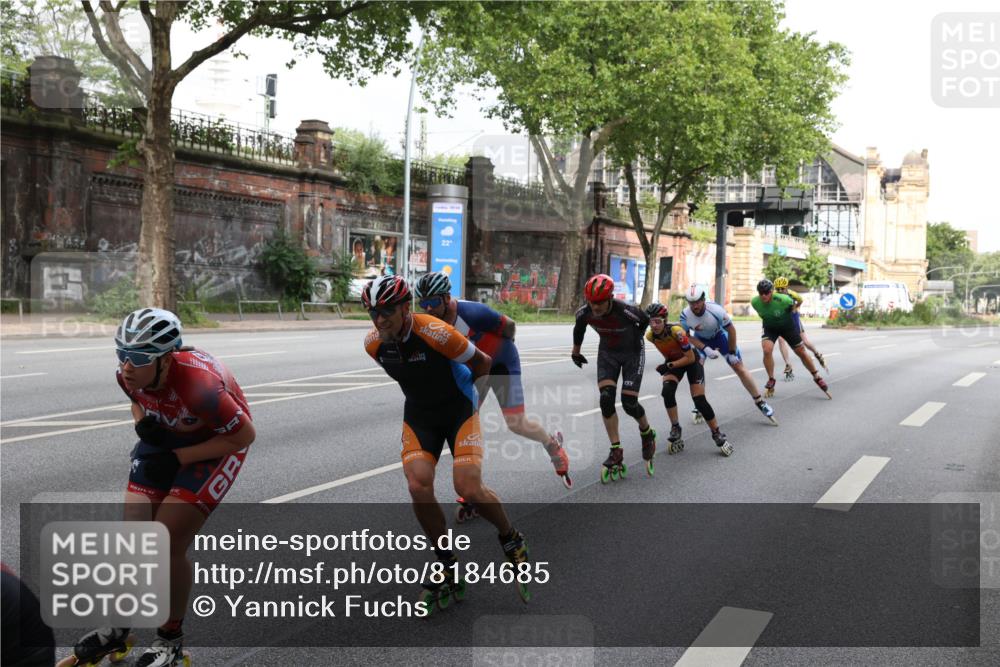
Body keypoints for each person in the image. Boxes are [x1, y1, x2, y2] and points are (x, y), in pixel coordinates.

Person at [61, 308, 255, 667]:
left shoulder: (201, 389)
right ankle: (118, 629)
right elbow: (139, 401)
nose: (126, 365)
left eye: (136, 357)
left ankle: (170, 641)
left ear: (165, 360)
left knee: (166, 544)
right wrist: (143, 426)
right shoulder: (127, 376)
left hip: (215, 445)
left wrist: (180, 457)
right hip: (167, 435)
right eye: (121, 354)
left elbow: (244, 436)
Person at [362, 276, 531, 601]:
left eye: (386, 311)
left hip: (458, 411)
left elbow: (483, 363)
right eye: (373, 313)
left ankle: (511, 538)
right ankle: (447, 563)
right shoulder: (374, 344)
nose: (379, 320)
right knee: (418, 485)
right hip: (421, 417)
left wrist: (472, 405)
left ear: (405, 307)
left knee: (467, 488)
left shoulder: (435, 331)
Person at [414, 272, 571, 487]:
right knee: (464, 424)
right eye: (424, 303)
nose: (428, 309)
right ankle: (473, 486)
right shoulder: (429, 323)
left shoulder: (473, 312)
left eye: (433, 302)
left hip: (502, 364)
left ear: (446, 297)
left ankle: (551, 444)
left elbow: (510, 325)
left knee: (516, 423)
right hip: (477, 371)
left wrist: (502, 348)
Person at [571, 274, 656, 483]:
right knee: (606, 399)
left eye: (599, 302)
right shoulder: (584, 313)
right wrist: (575, 351)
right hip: (608, 353)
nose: (595, 307)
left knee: (629, 404)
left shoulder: (626, 310)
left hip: (632, 354)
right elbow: (579, 329)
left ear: (610, 298)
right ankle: (616, 449)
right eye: (592, 302)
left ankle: (646, 432)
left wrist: (638, 338)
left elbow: (645, 320)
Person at [680, 283, 776, 425]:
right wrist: (704, 348)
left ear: (703, 299)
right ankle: (699, 403)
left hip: (721, 337)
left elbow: (731, 331)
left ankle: (759, 401)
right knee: (697, 368)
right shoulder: (685, 315)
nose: (695, 306)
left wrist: (731, 352)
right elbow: (686, 336)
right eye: (691, 303)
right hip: (701, 340)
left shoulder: (716, 310)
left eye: (698, 302)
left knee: (738, 367)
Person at [646, 303, 733, 457]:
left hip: (692, 362)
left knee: (699, 400)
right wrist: (668, 364)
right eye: (651, 321)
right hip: (675, 362)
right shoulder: (650, 336)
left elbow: (690, 358)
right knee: (667, 391)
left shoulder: (677, 332)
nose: (654, 325)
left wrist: (669, 365)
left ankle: (717, 433)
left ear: (665, 320)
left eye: (658, 321)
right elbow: (668, 351)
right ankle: (676, 427)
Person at [753, 279, 831, 399]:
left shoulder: (784, 299)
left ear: (772, 292)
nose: (763, 295)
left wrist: (792, 310)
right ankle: (771, 379)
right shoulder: (755, 302)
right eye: (761, 293)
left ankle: (816, 376)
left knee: (801, 351)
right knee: (767, 350)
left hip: (787, 326)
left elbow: (795, 304)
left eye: (766, 292)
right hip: (770, 327)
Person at [773, 276, 827, 379]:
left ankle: (817, 353)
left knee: (804, 341)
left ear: (786, 287)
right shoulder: (774, 296)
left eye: (782, 288)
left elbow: (800, 300)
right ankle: (788, 364)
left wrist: (796, 307)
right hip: (783, 319)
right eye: (778, 289)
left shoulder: (792, 294)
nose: (780, 291)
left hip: (793, 318)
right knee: (780, 339)